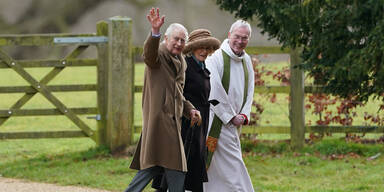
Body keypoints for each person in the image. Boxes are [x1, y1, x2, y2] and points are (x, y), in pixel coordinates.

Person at [124, 7, 201, 192]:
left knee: (154, 166)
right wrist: (155, 32)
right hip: (160, 122)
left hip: (173, 122)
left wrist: (190, 109)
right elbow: (148, 54)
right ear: (166, 39)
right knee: (176, 167)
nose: (179, 43)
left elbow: (177, 93)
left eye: (183, 40)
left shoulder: (181, 61)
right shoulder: (158, 56)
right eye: (176, 38)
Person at [152, 29, 221, 192]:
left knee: (194, 166)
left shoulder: (204, 67)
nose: (204, 51)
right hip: (185, 124)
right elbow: (177, 92)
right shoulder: (186, 66)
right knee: (177, 167)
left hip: (200, 123)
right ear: (192, 48)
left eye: (207, 48)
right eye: (201, 47)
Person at [203, 20, 255, 192]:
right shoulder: (215, 58)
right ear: (229, 35)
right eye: (237, 37)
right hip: (216, 122)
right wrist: (231, 116)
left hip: (235, 124)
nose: (240, 41)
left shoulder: (246, 60)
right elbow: (214, 90)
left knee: (228, 167)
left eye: (245, 38)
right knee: (231, 167)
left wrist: (244, 115)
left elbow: (250, 91)